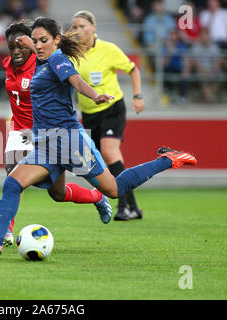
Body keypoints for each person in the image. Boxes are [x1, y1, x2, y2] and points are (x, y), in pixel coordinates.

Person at [0, 17, 197, 259]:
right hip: (45, 144)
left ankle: (167, 159)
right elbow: (35, 47)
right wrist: (28, 42)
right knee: (18, 184)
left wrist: (94, 96)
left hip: (69, 141)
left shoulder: (57, 60)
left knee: (114, 189)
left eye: (44, 41)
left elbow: (76, 80)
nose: (38, 46)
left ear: (56, 41)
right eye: (36, 41)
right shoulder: (40, 58)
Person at [0, 21, 120, 245]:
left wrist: (94, 94)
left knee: (55, 193)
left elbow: (69, 79)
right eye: (12, 47)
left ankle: (97, 195)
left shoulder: (42, 63)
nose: (17, 51)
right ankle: (4, 231)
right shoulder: (8, 65)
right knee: (14, 176)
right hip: (21, 130)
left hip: (51, 133)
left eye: (22, 45)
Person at [70, 10, 145, 221]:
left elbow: (133, 70)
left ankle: (123, 206)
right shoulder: (71, 54)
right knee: (103, 160)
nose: (78, 30)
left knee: (109, 152)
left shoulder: (108, 49)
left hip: (112, 109)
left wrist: (138, 96)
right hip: (89, 113)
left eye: (82, 26)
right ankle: (133, 207)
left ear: (93, 28)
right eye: (74, 27)